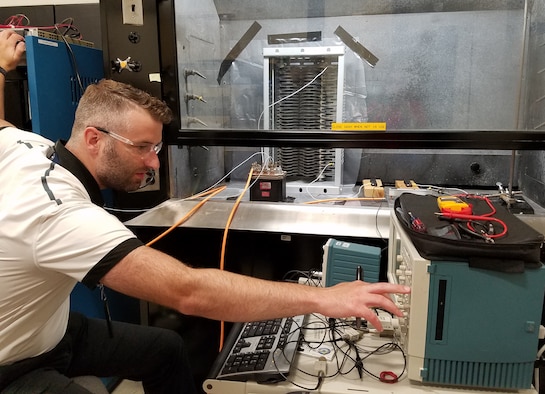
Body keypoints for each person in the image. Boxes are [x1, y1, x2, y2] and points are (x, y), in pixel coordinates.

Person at [0, 29, 410, 393]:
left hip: (49, 332)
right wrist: (322, 300)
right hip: (13, 365)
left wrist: (2, 69)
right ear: (93, 138)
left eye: (157, 148)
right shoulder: (60, 214)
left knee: (166, 348)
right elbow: (189, 291)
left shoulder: (26, 146)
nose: (155, 163)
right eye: (142, 147)